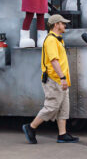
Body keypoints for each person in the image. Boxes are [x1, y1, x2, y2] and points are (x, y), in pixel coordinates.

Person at [22, 14, 78, 144]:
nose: (65, 25)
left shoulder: (58, 40)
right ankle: (31, 127)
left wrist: (64, 79)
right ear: (56, 24)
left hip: (61, 80)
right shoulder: (51, 40)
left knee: (63, 107)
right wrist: (62, 77)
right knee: (51, 106)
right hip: (54, 79)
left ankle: (62, 134)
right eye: (63, 23)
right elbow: (54, 61)